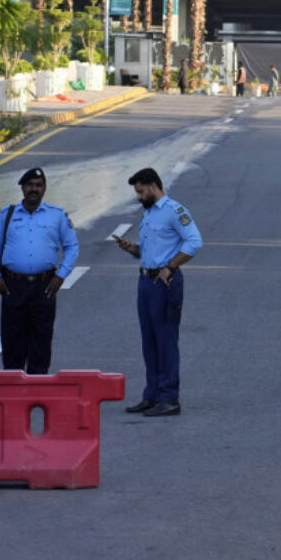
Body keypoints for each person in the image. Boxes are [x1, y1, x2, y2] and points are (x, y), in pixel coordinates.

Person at [113, 168, 202, 417]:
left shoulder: (174, 211)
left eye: (141, 191)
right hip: (145, 282)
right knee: (149, 342)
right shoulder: (150, 214)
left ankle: (169, 397)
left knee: (165, 341)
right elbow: (151, 251)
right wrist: (132, 249)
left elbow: (195, 242)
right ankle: (152, 394)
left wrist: (171, 266)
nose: (139, 197)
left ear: (153, 186)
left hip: (165, 282)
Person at [0, 167, 80, 374]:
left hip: (44, 287)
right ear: (22, 188)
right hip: (12, 286)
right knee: (12, 343)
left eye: (38, 185)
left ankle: (38, 393)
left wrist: (60, 276)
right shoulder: (7, 215)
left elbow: (72, 247)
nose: (34, 189)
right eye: (29, 185)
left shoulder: (57, 215)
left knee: (41, 343)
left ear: (44, 189)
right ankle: (12, 396)